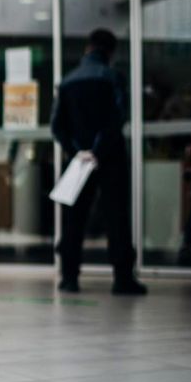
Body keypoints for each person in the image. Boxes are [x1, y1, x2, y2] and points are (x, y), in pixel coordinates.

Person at [52, 29, 147, 296]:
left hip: (79, 160)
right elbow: (117, 118)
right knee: (116, 216)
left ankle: (69, 278)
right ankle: (122, 279)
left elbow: (57, 126)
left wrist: (78, 151)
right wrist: (98, 150)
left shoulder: (68, 81)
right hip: (110, 157)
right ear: (110, 52)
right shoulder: (113, 77)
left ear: (87, 48)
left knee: (74, 219)